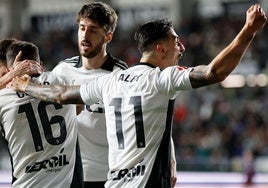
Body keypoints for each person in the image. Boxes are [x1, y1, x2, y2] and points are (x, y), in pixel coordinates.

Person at [8, 4, 266, 188]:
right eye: (176, 42)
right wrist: (249, 30)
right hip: (128, 179)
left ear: (108, 36)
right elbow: (213, 72)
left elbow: (61, 95)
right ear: (161, 47)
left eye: (93, 29)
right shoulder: (161, 79)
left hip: (112, 179)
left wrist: (22, 84)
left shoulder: (111, 80)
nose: (182, 47)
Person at [52, 2, 176, 187]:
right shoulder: (62, 72)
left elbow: (154, 117)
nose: (85, 35)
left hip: (109, 173)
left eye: (93, 30)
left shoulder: (121, 76)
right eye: (82, 28)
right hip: (71, 173)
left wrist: (171, 160)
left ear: (108, 36)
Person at [1, 40, 83, 187]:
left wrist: (11, 77)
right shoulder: (65, 81)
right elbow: (79, 106)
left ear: (9, 69)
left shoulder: (3, 98)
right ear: (40, 65)